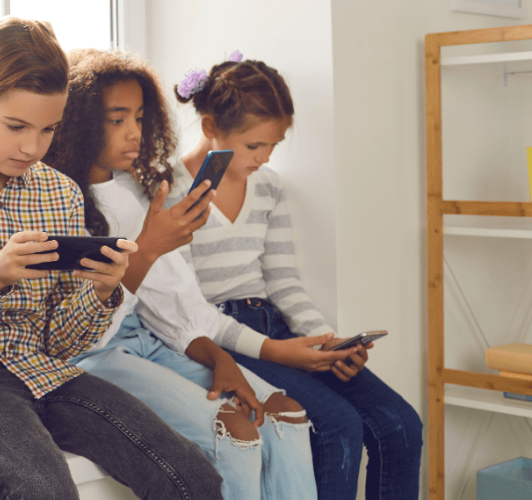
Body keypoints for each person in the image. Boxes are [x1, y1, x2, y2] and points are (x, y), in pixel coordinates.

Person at [0, 18, 224, 500]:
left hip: (42, 369)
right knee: (44, 492)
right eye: (16, 126)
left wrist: (102, 291)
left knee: (191, 477)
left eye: (48, 129)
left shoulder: (59, 192)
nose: (32, 147)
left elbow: (62, 342)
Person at [42, 48, 317, 500]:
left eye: (140, 116)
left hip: (154, 344)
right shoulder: (58, 202)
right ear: (79, 121)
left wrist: (220, 358)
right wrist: (146, 250)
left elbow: (175, 305)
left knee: (284, 414)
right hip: (96, 355)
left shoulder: (134, 194)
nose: (135, 132)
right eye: (117, 119)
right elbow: (82, 337)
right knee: (237, 430)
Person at [170, 55, 423, 500]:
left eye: (274, 145)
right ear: (210, 126)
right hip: (225, 339)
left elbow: (283, 280)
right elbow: (189, 309)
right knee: (336, 426)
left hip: (275, 325)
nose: (264, 157)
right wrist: (284, 353)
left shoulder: (269, 187)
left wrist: (325, 340)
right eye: (254, 146)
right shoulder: (170, 190)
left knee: (401, 424)